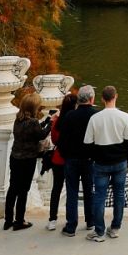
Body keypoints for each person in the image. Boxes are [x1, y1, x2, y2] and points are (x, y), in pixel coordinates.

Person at [83, 85, 128, 241]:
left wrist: (93, 157)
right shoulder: (125, 117)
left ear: (102, 99)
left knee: (99, 196)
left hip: (101, 162)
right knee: (119, 195)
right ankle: (115, 228)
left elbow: (87, 143)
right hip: (120, 161)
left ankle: (99, 231)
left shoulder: (95, 118)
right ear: (116, 96)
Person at [5, 92, 54, 231]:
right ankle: (19, 221)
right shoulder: (32, 122)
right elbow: (41, 134)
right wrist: (50, 123)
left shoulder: (18, 120)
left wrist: (44, 121)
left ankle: (8, 220)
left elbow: (34, 130)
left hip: (15, 157)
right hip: (27, 159)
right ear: (34, 108)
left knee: (13, 188)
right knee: (23, 190)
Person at [56, 84, 97, 237]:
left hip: (71, 159)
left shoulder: (69, 116)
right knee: (89, 191)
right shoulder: (95, 115)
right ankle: (90, 221)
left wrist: (66, 155)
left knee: (72, 192)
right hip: (89, 160)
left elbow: (62, 140)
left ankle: (71, 225)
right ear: (92, 99)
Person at [45, 91, 78, 230]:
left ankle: (52, 219)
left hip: (58, 158)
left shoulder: (58, 121)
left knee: (56, 189)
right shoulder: (75, 120)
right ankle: (71, 219)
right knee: (72, 190)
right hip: (71, 158)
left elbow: (53, 140)